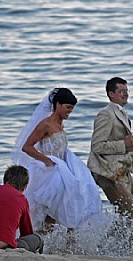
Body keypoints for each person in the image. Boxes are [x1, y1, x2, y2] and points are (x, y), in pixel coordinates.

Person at [12, 88, 102, 232]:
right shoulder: (45, 124)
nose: (70, 111)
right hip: (49, 172)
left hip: (62, 169)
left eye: (72, 108)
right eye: (68, 107)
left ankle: (65, 240)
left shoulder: (61, 125)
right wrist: (46, 160)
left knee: (72, 203)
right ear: (58, 105)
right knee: (51, 210)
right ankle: (45, 238)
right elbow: (27, 147)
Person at [87, 77, 133, 230]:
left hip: (122, 170)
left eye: (126, 91)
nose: (125, 94)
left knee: (132, 215)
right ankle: (112, 249)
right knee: (129, 215)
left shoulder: (122, 114)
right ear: (111, 94)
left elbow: (122, 143)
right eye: (121, 92)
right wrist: (125, 144)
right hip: (108, 172)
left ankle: (118, 248)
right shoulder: (106, 114)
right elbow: (97, 146)